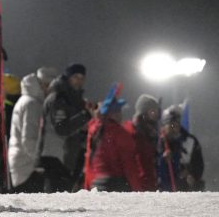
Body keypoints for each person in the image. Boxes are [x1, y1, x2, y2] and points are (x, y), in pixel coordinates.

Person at [39, 63, 92, 192]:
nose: (79, 80)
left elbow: (74, 125)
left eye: (81, 77)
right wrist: (86, 115)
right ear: (68, 77)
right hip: (56, 156)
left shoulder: (75, 99)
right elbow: (61, 128)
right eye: (75, 77)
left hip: (68, 155)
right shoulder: (58, 97)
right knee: (55, 199)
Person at [83, 84, 144, 191]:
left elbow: (89, 162)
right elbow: (129, 164)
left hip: (96, 184)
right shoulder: (120, 133)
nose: (121, 115)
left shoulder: (93, 131)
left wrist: (87, 186)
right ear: (113, 114)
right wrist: (137, 189)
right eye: (119, 111)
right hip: (116, 184)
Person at [8, 72, 47, 193]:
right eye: (43, 85)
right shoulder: (32, 104)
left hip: (18, 160)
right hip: (27, 165)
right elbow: (28, 137)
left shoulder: (23, 101)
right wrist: (37, 163)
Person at [157, 105, 204, 191]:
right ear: (164, 126)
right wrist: (163, 159)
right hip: (162, 191)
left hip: (184, 190)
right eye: (171, 125)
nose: (175, 128)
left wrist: (191, 174)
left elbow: (198, 164)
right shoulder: (158, 142)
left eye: (177, 125)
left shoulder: (190, 141)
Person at [122, 94, 160, 191]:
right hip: (137, 187)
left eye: (156, 111)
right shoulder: (132, 132)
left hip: (148, 185)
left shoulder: (150, 133)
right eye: (152, 111)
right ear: (143, 113)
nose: (155, 114)